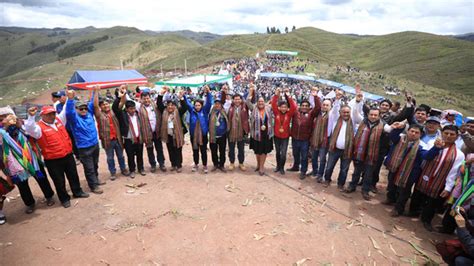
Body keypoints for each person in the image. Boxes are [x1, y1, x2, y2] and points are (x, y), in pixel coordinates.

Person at [24, 106, 89, 208]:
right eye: (48, 114)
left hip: (67, 155)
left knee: (73, 176)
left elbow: (65, 110)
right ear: (42, 115)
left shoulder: (59, 120)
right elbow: (29, 128)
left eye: (53, 113)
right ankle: (64, 199)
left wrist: (70, 99)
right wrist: (31, 116)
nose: (51, 116)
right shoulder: (38, 128)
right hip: (53, 160)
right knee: (59, 181)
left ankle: (77, 192)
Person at [410, 125, 465, 231]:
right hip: (424, 175)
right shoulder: (431, 143)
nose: (448, 136)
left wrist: (448, 187)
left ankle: (426, 220)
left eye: (452, 134)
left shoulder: (459, 154)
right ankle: (413, 211)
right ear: (442, 133)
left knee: (432, 202)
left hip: (440, 181)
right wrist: (435, 148)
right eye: (446, 133)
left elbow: (453, 172)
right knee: (417, 195)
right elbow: (425, 157)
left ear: (457, 137)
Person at [0, 112, 55, 215]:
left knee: (41, 178)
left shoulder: (22, 126)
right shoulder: (2, 134)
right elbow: (1, 153)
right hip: (15, 163)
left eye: (6, 117)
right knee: (22, 185)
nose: (5, 120)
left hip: (31, 159)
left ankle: (49, 196)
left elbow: (33, 134)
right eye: (2, 119)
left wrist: (20, 125)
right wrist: (6, 172)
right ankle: (29, 203)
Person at [383, 123, 429, 217]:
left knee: (404, 192)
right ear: (408, 131)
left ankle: (398, 209)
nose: (413, 134)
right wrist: (398, 128)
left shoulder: (422, 146)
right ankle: (390, 199)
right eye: (412, 131)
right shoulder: (400, 138)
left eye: (417, 132)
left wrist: (436, 148)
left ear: (420, 135)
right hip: (395, 167)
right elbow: (392, 136)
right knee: (391, 185)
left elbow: (426, 156)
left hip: (409, 173)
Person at [345, 107, 389, 200]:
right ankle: (352, 186)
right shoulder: (363, 122)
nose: (373, 116)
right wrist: (358, 101)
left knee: (368, 174)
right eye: (371, 114)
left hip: (372, 154)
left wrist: (400, 125)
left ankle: (365, 191)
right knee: (356, 172)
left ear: (379, 116)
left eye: (375, 115)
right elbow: (356, 111)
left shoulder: (383, 125)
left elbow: (391, 130)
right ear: (368, 114)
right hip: (360, 153)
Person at [323, 90, 363, 189]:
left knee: (344, 169)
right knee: (329, 167)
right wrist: (337, 99)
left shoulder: (353, 121)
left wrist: (358, 102)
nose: (345, 114)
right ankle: (327, 180)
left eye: (347, 112)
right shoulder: (336, 118)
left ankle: (340, 184)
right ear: (340, 113)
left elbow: (357, 113)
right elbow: (336, 107)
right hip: (334, 149)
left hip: (347, 150)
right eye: (344, 112)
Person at [65, 89, 103, 194]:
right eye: (80, 108)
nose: (83, 110)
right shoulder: (74, 119)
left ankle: (96, 179)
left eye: (85, 107)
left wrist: (95, 91)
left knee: (95, 165)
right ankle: (93, 186)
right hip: (84, 148)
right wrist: (70, 99)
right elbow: (69, 112)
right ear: (76, 109)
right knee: (89, 168)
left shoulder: (89, 113)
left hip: (95, 145)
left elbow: (93, 103)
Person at [93, 86, 130, 180]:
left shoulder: (114, 111)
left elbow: (122, 102)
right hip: (108, 140)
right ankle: (113, 172)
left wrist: (123, 93)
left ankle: (123, 169)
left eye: (107, 104)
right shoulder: (99, 115)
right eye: (103, 105)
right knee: (110, 157)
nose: (105, 106)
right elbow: (95, 105)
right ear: (101, 107)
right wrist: (96, 92)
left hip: (117, 138)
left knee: (121, 155)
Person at [112, 85, 145, 178]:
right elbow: (115, 108)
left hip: (139, 138)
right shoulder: (122, 115)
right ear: (126, 109)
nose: (133, 110)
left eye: (134, 108)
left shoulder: (137, 114)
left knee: (140, 155)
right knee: (130, 156)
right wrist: (119, 97)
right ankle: (132, 170)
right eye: (131, 109)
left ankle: (141, 168)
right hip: (128, 140)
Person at [288, 88, 321, 179]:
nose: (304, 107)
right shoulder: (295, 112)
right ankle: (295, 167)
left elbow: (318, 107)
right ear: (300, 106)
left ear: (309, 107)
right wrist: (288, 95)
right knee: (295, 154)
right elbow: (291, 104)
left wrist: (315, 97)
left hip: (305, 140)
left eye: (306, 105)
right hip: (295, 138)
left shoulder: (311, 114)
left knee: (304, 156)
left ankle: (303, 171)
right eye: (303, 105)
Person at [156, 88, 187, 172]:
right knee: (170, 150)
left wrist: (181, 98)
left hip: (177, 135)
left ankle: (179, 165)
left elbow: (185, 107)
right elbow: (159, 104)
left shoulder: (178, 112)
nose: (170, 106)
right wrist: (160, 94)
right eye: (168, 105)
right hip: (168, 135)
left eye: (172, 105)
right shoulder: (164, 111)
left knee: (178, 150)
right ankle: (173, 164)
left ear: (175, 106)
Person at [184, 86, 213, 174]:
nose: (197, 107)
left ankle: (204, 165)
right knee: (195, 151)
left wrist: (208, 92)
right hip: (194, 136)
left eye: (199, 105)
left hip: (203, 135)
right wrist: (184, 95)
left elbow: (209, 102)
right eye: (196, 105)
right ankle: (196, 164)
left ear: (201, 105)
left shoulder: (205, 111)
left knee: (203, 151)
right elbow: (187, 103)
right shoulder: (191, 111)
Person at [137, 91, 167, 173]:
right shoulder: (139, 107)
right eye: (144, 99)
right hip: (147, 133)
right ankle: (153, 165)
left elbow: (161, 103)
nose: (146, 100)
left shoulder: (155, 105)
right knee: (149, 149)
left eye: (147, 98)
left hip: (156, 131)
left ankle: (161, 163)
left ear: (150, 98)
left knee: (159, 148)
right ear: (141, 99)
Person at [247, 85, 273, 176]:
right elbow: (247, 101)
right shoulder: (253, 108)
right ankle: (258, 165)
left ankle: (262, 167)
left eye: (262, 101)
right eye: (259, 101)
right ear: (257, 103)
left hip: (266, 134)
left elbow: (275, 101)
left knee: (263, 151)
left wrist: (277, 94)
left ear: (264, 102)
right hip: (256, 134)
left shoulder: (269, 108)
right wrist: (251, 92)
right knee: (257, 151)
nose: (261, 103)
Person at [271, 87, 296, 175]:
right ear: (279, 107)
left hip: (285, 137)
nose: (283, 108)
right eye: (282, 107)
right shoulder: (276, 112)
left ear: (287, 108)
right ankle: (278, 166)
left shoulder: (289, 114)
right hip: (277, 136)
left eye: (285, 107)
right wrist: (276, 94)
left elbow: (293, 106)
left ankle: (282, 167)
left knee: (283, 153)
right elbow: (273, 103)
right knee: (278, 152)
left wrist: (288, 95)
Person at [223, 89, 250, 171]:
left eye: (238, 99)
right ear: (233, 100)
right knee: (231, 149)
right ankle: (232, 163)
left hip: (241, 132)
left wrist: (251, 90)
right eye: (235, 99)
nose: (237, 100)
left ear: (241, 100)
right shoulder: (229, 107)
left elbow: (251, 99)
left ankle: (241, 163)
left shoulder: (245, 107)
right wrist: (224, 92)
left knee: (241, 149)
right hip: (231, 132)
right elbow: (223, 101)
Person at [310, 97, 335, 182]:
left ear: (330, 107)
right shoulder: (318, 114)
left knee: (322, 159)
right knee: (313, 157)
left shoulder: (331, 115)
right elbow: (314, 105)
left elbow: (337, 108)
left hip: (324, 141)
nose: (325, 106)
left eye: (327, 105)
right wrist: (314, 96)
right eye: (323, 104)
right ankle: (314, 171)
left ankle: (320, 174)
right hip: (315, 139)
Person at [55, 90, 80, 165]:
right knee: (72, 142)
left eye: (60, 96)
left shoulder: (74, 102)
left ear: (65, 96)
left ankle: (82, 155)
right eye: (58, 97)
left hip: (75, 126)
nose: (59, 98)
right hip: (67, 128)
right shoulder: (58, 106)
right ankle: (78, 157)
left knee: (78, 140)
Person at [209, 90, 229, 172]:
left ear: (221, 104)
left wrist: (224, 91)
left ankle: (222, 165)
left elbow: (226, 100)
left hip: (222, 135)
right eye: (216, 103)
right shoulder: (211, 112)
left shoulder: (224, 111)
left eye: (219, 103)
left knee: (222, 151)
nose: (217, 105)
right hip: (213, 136)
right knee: (213, 151)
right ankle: (215, 164)